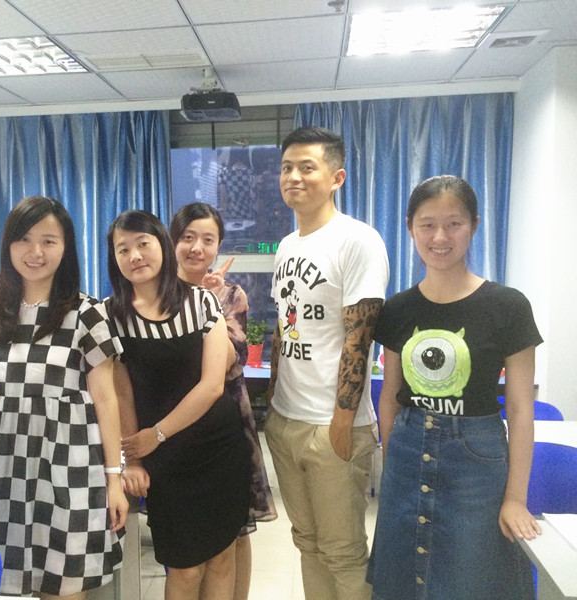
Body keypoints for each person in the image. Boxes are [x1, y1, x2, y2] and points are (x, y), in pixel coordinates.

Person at [367, 175, 542, 599]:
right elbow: (390, 397)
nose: (440, 237)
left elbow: (521, 409)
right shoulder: (398, 308)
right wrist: (393, 463)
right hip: (407, 453)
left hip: (477, 462)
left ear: (474, 225)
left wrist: (515, 498)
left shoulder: (508, 306)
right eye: (427, 225)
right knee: (404, 581)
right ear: (410, 227)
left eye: (454, 224)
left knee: (471, 581)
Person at [0, 196, 126, 599]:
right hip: (5, 468)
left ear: (66, 248)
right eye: (24, 239)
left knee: (64, 585)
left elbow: (106, 401)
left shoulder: (86, 313)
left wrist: (114, 479)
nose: (35, 252)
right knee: (6, 583)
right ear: (8, 245)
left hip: (70, 467)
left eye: (49, 241)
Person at [264, 126, 389, 600]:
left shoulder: (357, 240)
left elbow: (360, 337)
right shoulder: (286, 246)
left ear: (336, 177)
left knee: (343, 552)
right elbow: (284, 328)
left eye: (306, 167)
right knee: (307, 542)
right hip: (286, 419)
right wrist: (273, 405)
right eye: (286, 168)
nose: (293, 177)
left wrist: (342, 421)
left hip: (333, 426)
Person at [106, 210, 250, 600]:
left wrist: (156, 434)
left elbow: (212, 385)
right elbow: (121, 394)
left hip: (218, 449)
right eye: (123, 249)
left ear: (162, 247)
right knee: (184, 569)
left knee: (222, 560)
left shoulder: (201, 302)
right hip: (166, 462)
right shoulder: (112, 315)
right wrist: (133, 459)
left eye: (143, 244)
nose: (135, 255)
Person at [169, 202, 278, 600]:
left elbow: (231, 358)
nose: (197, 247)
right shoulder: (156, 294)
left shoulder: (231, 295)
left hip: (226, 422)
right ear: (172, 242)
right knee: (187, 541)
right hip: (174, 427)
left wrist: (207, 301)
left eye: (208, 239)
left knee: (235, 531)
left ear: (218, 246)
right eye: (188, 237)